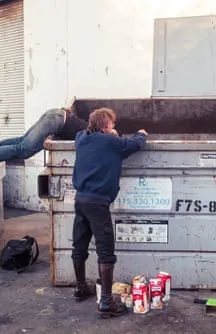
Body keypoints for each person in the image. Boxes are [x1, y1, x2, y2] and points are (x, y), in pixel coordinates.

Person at [71, 107, 148, 319]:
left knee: (79, 244)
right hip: (98, 204)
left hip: (80, 200)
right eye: (112, 124)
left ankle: (80, 287)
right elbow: (136, 145)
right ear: (106, 126)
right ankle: (106, 302)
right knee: (106, 251)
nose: (114, 128)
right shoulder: (111, 142)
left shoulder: (81, 138)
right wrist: (141, 133)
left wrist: (109, 134)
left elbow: (85, 133)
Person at [0, 107, 89, 178]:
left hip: (55, 115)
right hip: (56, 122)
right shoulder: (97, 133)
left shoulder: (92, 126)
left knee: (20, 142)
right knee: (23, 150)